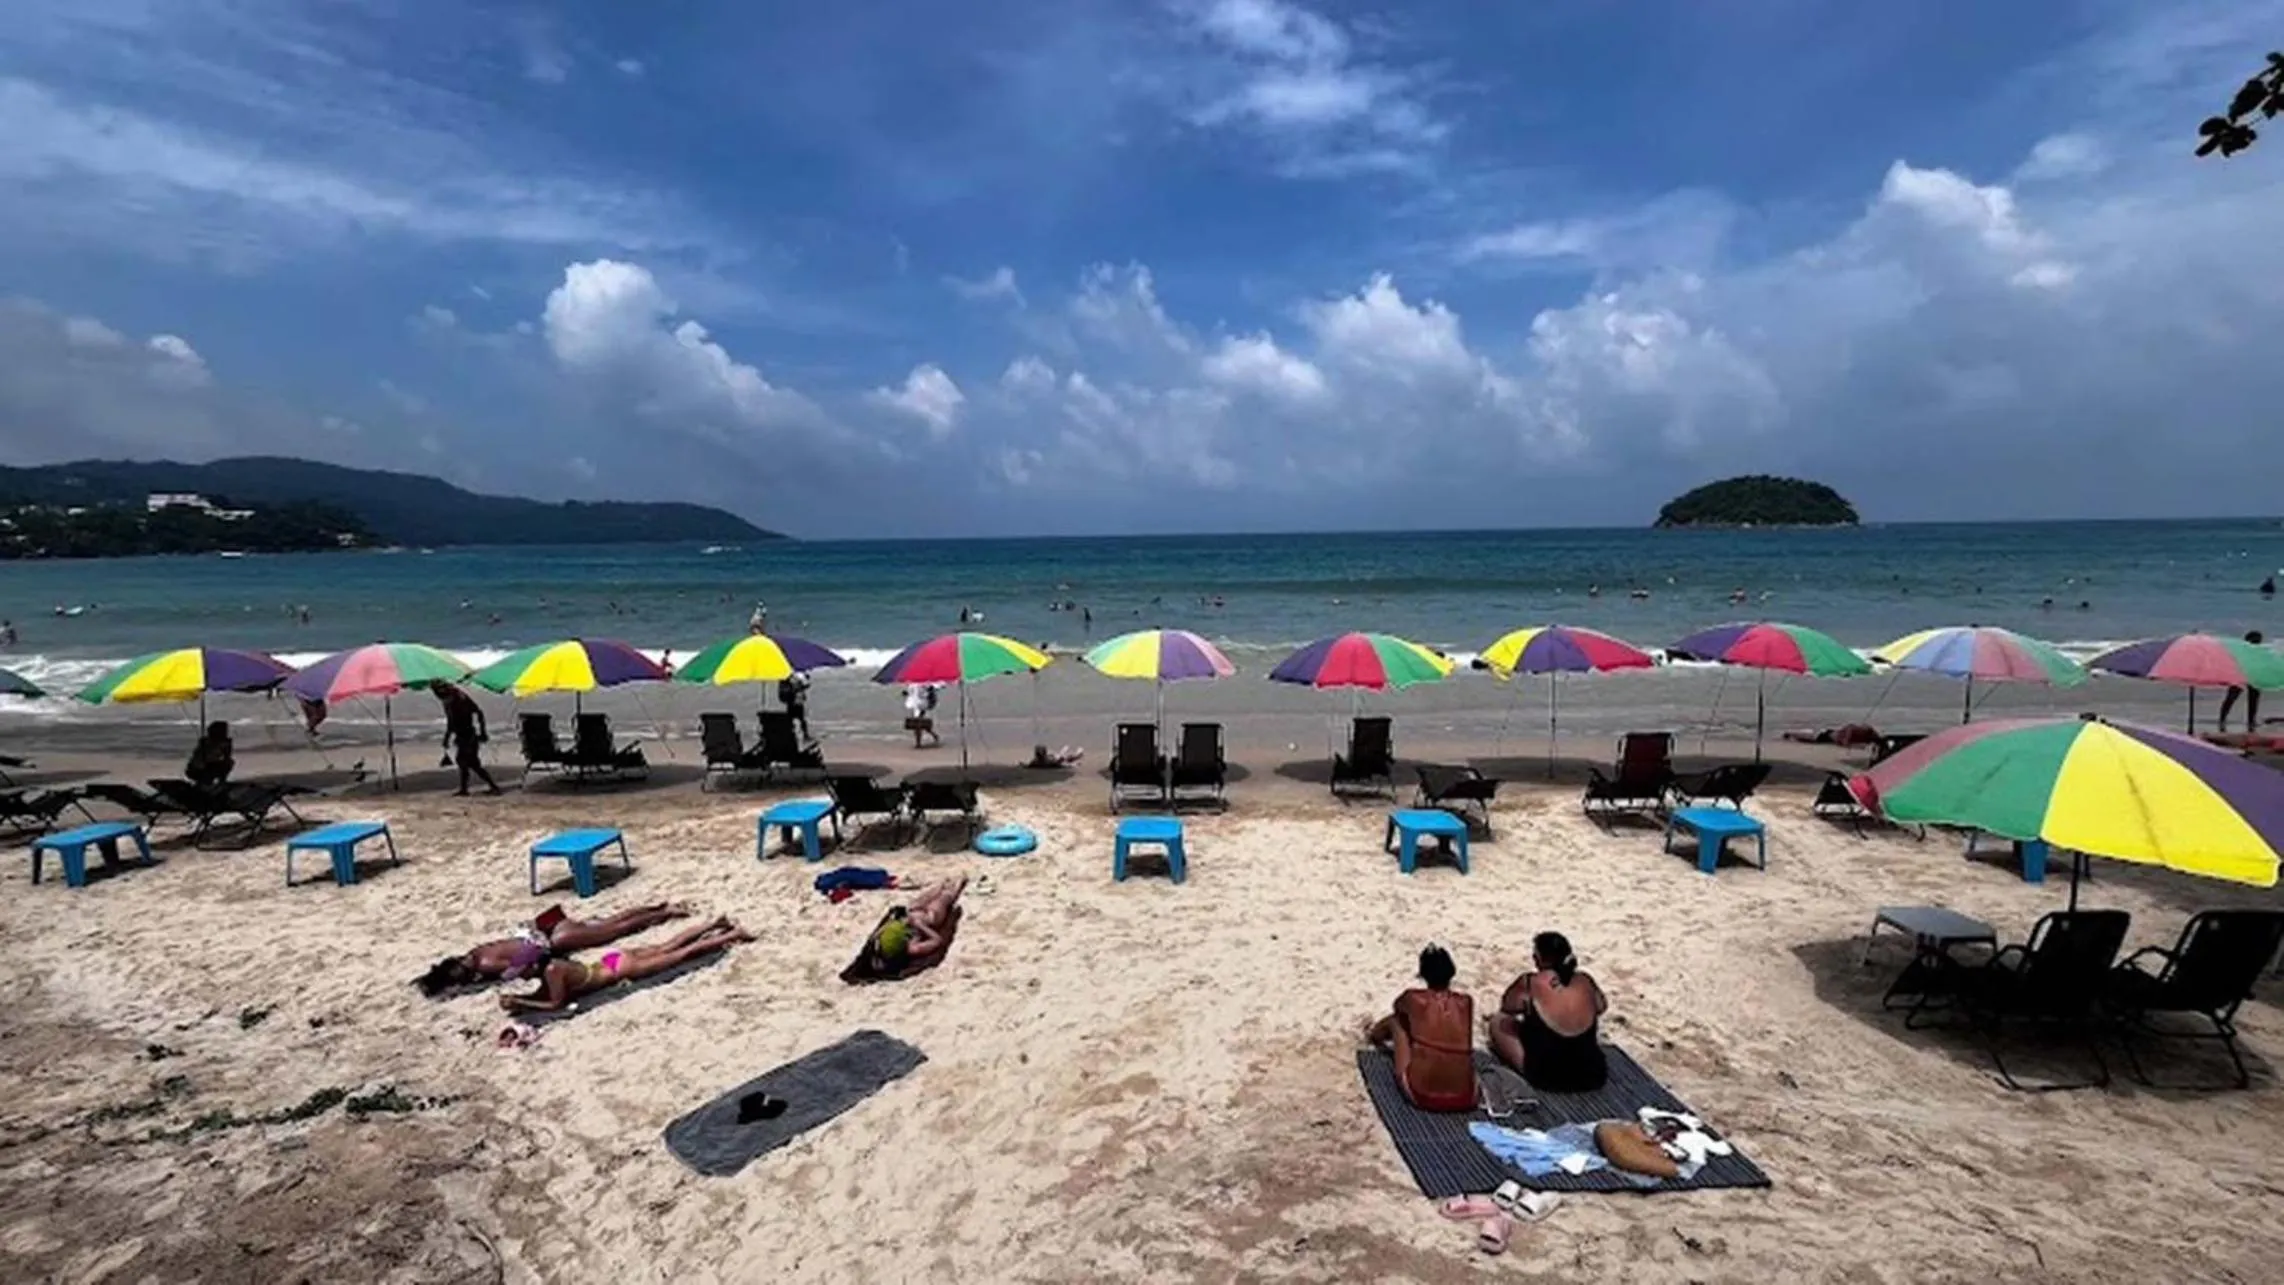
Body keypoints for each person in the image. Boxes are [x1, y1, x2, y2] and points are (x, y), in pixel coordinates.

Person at [414, 902, 693, 996]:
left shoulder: (484, 966)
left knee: (614, 930)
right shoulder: (475, 952)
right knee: (610, 922)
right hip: (544, 922)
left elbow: (528, 961)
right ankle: (658, 907)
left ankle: (665, 913)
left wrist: (512, 977)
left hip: (555, 939)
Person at [500, 917, 754, 1014]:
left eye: (522, 972)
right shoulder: (553, 964)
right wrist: (521, 998)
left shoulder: (553, 971)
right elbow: (545, 993)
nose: (521, 977)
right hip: (609, 960)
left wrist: (522, 1002)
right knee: (668, 945)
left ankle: (732, 936)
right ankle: (714, 925)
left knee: (681, 954)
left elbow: (556, 1003)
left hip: (618, 969)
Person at [1487, 932, 1608, 1092]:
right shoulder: (1585, 980)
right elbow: (1601, 1007)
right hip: (1592, 1075)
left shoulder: (1530, 983)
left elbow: (1507, 1007)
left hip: (1548, 1077)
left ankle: (1525, 1068)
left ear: (1542, 958)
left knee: (1498, 1023)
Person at [1364, 946, 1477, 1113]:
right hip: (1467, 1097)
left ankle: (1373, 1035)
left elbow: (1398, 1007)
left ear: (1423, 973)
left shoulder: (1414, 998)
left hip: (1423, 1096)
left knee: (1397, 1021)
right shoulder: (1466, 1002)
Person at [433, 683, 499, 796]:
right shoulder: (449, 701)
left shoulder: (460, 699)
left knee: (471, 763)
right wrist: (447, 737)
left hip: (468, 736)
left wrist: (483, 732)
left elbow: (479, 712)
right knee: (464, 762)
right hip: (461, 736)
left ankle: (492, 787)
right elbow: (451, 722)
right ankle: (465, 789)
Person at [2218, 630, 2267, 732]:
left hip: (2249, 675)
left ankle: (2225, 719)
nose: (2258, 642)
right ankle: (2224, 718)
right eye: (2257, 640)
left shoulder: (2251, 650)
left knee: (2239, 698)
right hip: (2243, 675)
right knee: (2236, 697)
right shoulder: (2250, 651)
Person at [184, 721, 234, 788]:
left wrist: (227, 748)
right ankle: (203, 783)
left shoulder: (222, 742)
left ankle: (220, 782)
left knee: (228, 763)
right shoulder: (207, 743)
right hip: (197, 769)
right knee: (209, 770)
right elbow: (198, 759)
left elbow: (227, 757)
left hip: (209, 767)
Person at [779, 669, 812, 740]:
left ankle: (794, 734)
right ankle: (804, 735)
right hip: (794, 702)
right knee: (799, 719)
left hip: (793, 702)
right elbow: (804, 686)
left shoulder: (784, 680)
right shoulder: (789, 679)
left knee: (794, 719)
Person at [904, 683, 940, 748]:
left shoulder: (925, 683)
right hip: (914, 704)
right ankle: (933, 735)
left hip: (923, 704)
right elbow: (911, 692)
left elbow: (932, 690)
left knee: (917, 723)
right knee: (917, 723)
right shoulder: (911, 683)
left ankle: (918, 743)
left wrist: (930, 690)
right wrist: (906, 693)